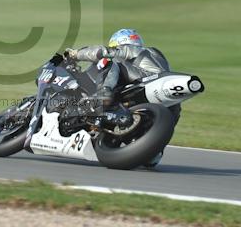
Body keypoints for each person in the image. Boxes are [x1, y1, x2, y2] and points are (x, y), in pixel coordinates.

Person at [65, 29, 178, 167]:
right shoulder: (154, 56)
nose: (115, 48)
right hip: (163, 104)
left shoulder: (132, 50)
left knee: (110, 61)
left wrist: (74, 54)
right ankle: (154, 150)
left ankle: (103, 94)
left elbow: (101, 52)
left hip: (145, 82)